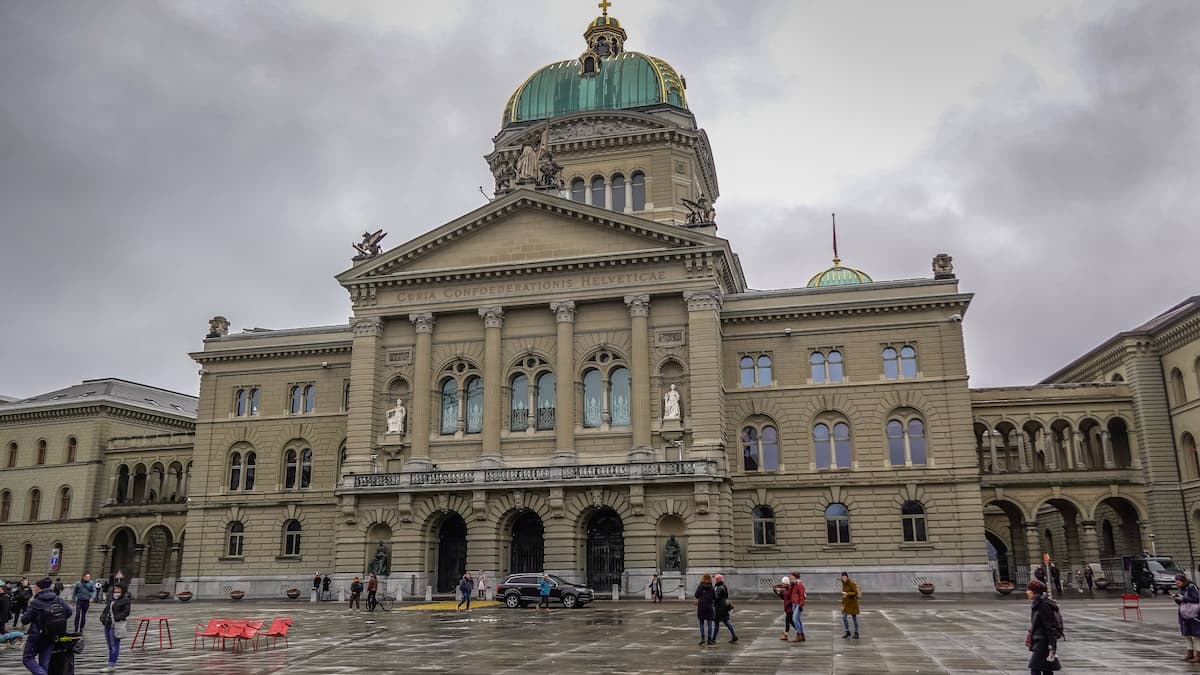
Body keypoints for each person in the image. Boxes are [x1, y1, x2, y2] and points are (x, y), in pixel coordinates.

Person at [21, 577, 72, 675]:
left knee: (27, 658)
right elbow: (68, 611)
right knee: (44, 662)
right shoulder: (57, 599)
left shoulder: (35, 603)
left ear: (39, 588)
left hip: (36, 635)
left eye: (35, 587)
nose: (34, 589)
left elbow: (25, 620)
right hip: (52, 635)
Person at [1025, 579, 1060, 674]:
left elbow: (1049, 626)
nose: (1027, 592)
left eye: (1029, 590)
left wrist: (1052, 645)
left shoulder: (1043, 605)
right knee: (1046, 669)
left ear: (1035, 591)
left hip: (1043, 642)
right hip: (1039, 640)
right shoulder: (1038, 603)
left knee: (1035, 668)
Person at [99, 583, 131, 673]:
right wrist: (102, 617)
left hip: (116, 625)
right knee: (109, 645)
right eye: (115, 589)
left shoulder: (125, 600)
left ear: (122, 590)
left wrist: (117, 617)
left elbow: (126, 612)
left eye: (118, 590)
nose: (116, 591)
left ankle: (111, 665)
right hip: (108, 624)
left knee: (114, 646)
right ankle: (110, 663)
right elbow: (106, 609)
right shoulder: (111, 599)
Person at [1173, 572, 1200, 662]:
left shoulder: (1191, 587)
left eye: (1178, 582)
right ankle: (1189, 653)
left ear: (1183, 581)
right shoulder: (1182, 589)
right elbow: (1181, 603)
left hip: (1194, 614)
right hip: (1184, 614)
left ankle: (1198, 655)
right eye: (1176, 582)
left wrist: (1183, 598)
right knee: (1187, 634)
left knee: (1196, 635)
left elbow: (1196, 599)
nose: (1177, 584)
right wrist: (1176, 599)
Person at [712, 573, 736, 643]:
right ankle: (734, 636)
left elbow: (716, 598)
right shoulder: (723, 586)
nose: (714, 581)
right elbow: (726, 597)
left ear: (717, 580)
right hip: (723, 607)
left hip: (719, 608)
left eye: (715, 579)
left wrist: (712, 594)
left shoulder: (719, 588)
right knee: (726, 622)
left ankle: (713, 639)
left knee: (717, 623)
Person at [694, 573, 716, 646]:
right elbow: (714, 597)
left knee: (701, 623)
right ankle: (709, 640)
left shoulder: (700, 586)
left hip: (701, 606)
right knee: (709, 623)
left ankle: (703, 638)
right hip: (709, 606)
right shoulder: (711, 587)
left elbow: (696, 595)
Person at [840, 572, 861, 639]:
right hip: (846, 603)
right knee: (844, 617)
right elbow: (844, 595)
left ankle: (856, 633)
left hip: (852, 604)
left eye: (845, 577)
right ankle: (847, 631)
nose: (844, 578)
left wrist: (847, 593)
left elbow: (855, 592)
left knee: (854, 618)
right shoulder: (843, 584)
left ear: (847, 577)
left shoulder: (851, 583)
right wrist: (842, 604)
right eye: (842, 577)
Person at [789, 573, 807, 642]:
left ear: (795, 577)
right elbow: (790, 593)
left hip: (798, 604)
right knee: (798, 619)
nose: (790, 577)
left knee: (794, 619)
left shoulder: (800, 585)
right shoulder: (793, 584)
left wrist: (801, 605)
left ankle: (799, 634)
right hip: (793, 604)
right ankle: (802, 635)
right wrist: (792, 585)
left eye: (792, 576)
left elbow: (802, 595)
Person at [778, 576, 796, 641]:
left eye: (783, 583)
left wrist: (780, 592)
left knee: (787, 621)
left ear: (786, 583)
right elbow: (784, 598)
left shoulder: (789, 589)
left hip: (790, 608)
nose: (782, 585)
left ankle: (786, 635)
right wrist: (779, 593)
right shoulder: (787, 589)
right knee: (790, 621)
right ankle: (799, 631)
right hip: (788, 607)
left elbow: (787, 596)